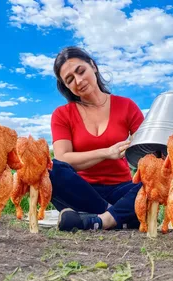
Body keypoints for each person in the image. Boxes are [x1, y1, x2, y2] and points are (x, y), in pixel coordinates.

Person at [50, 46, 145, 231]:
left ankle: (97, 219)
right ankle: (116, 215)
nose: (78, 80)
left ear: (93, 66)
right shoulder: (62, 114)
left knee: (158, 175)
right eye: (70, 79)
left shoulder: (126, 106)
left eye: (81, 71)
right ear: (66, 86)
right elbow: (62, 158)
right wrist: (107, 152)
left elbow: (147, 153)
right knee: (50, 168)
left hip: (122, 189)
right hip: (82, 191)